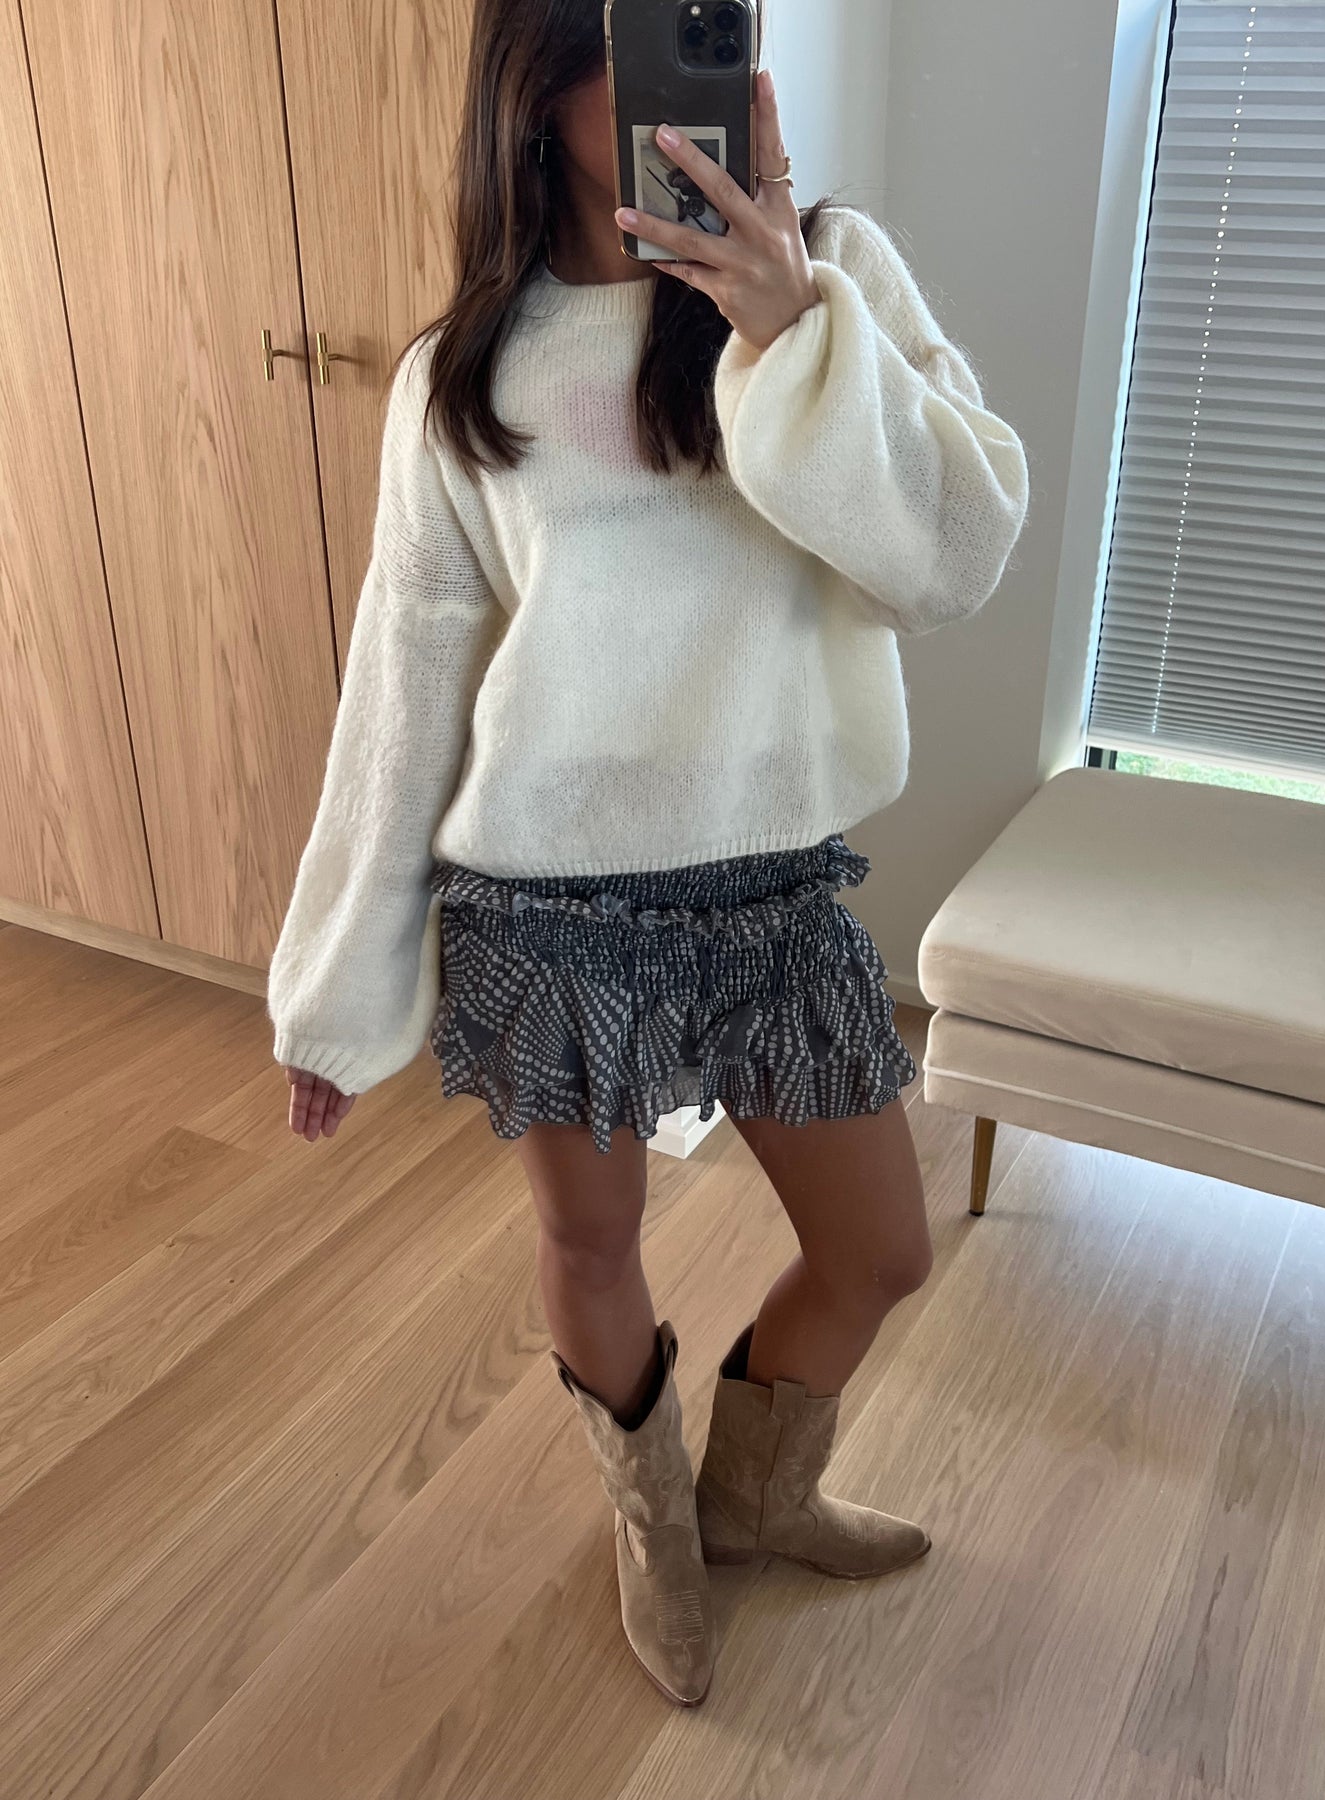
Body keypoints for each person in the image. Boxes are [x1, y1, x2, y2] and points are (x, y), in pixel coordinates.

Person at [266, 0, 1029, 1710]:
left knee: (878, 1253)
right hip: (550, 901)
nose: (717, 62)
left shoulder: (832, 276)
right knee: (593, 1245)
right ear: (541, 77)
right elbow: (403, 688)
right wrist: (334, 988)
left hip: (772, 884)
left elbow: (955, 556)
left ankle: (754, 1500)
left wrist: (792, 329)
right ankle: (656, 1529)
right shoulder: (461, 371)